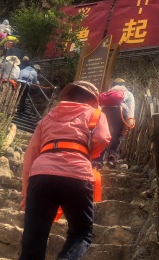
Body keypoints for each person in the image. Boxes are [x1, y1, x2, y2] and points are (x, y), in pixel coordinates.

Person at [20, 81, 110, 260]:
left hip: (41, 175)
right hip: (76, 174)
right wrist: (86, 153)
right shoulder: (96, 114)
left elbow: (31, 153)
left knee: (33, 238)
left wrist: (25, 192)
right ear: (92, 100)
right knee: (81, 233)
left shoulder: (48, 117)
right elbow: (102, 138)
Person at [97, 78, 135, 166]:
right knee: (117, 135)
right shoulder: (128, 93)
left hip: (105, 112)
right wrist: (129, 121)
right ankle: (112, 158)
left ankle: (99, 159)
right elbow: (131, 108)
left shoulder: (107, 93)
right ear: (124, 85)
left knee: (104, 134)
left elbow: (100, 105)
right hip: (119, 113)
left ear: (113, 85)